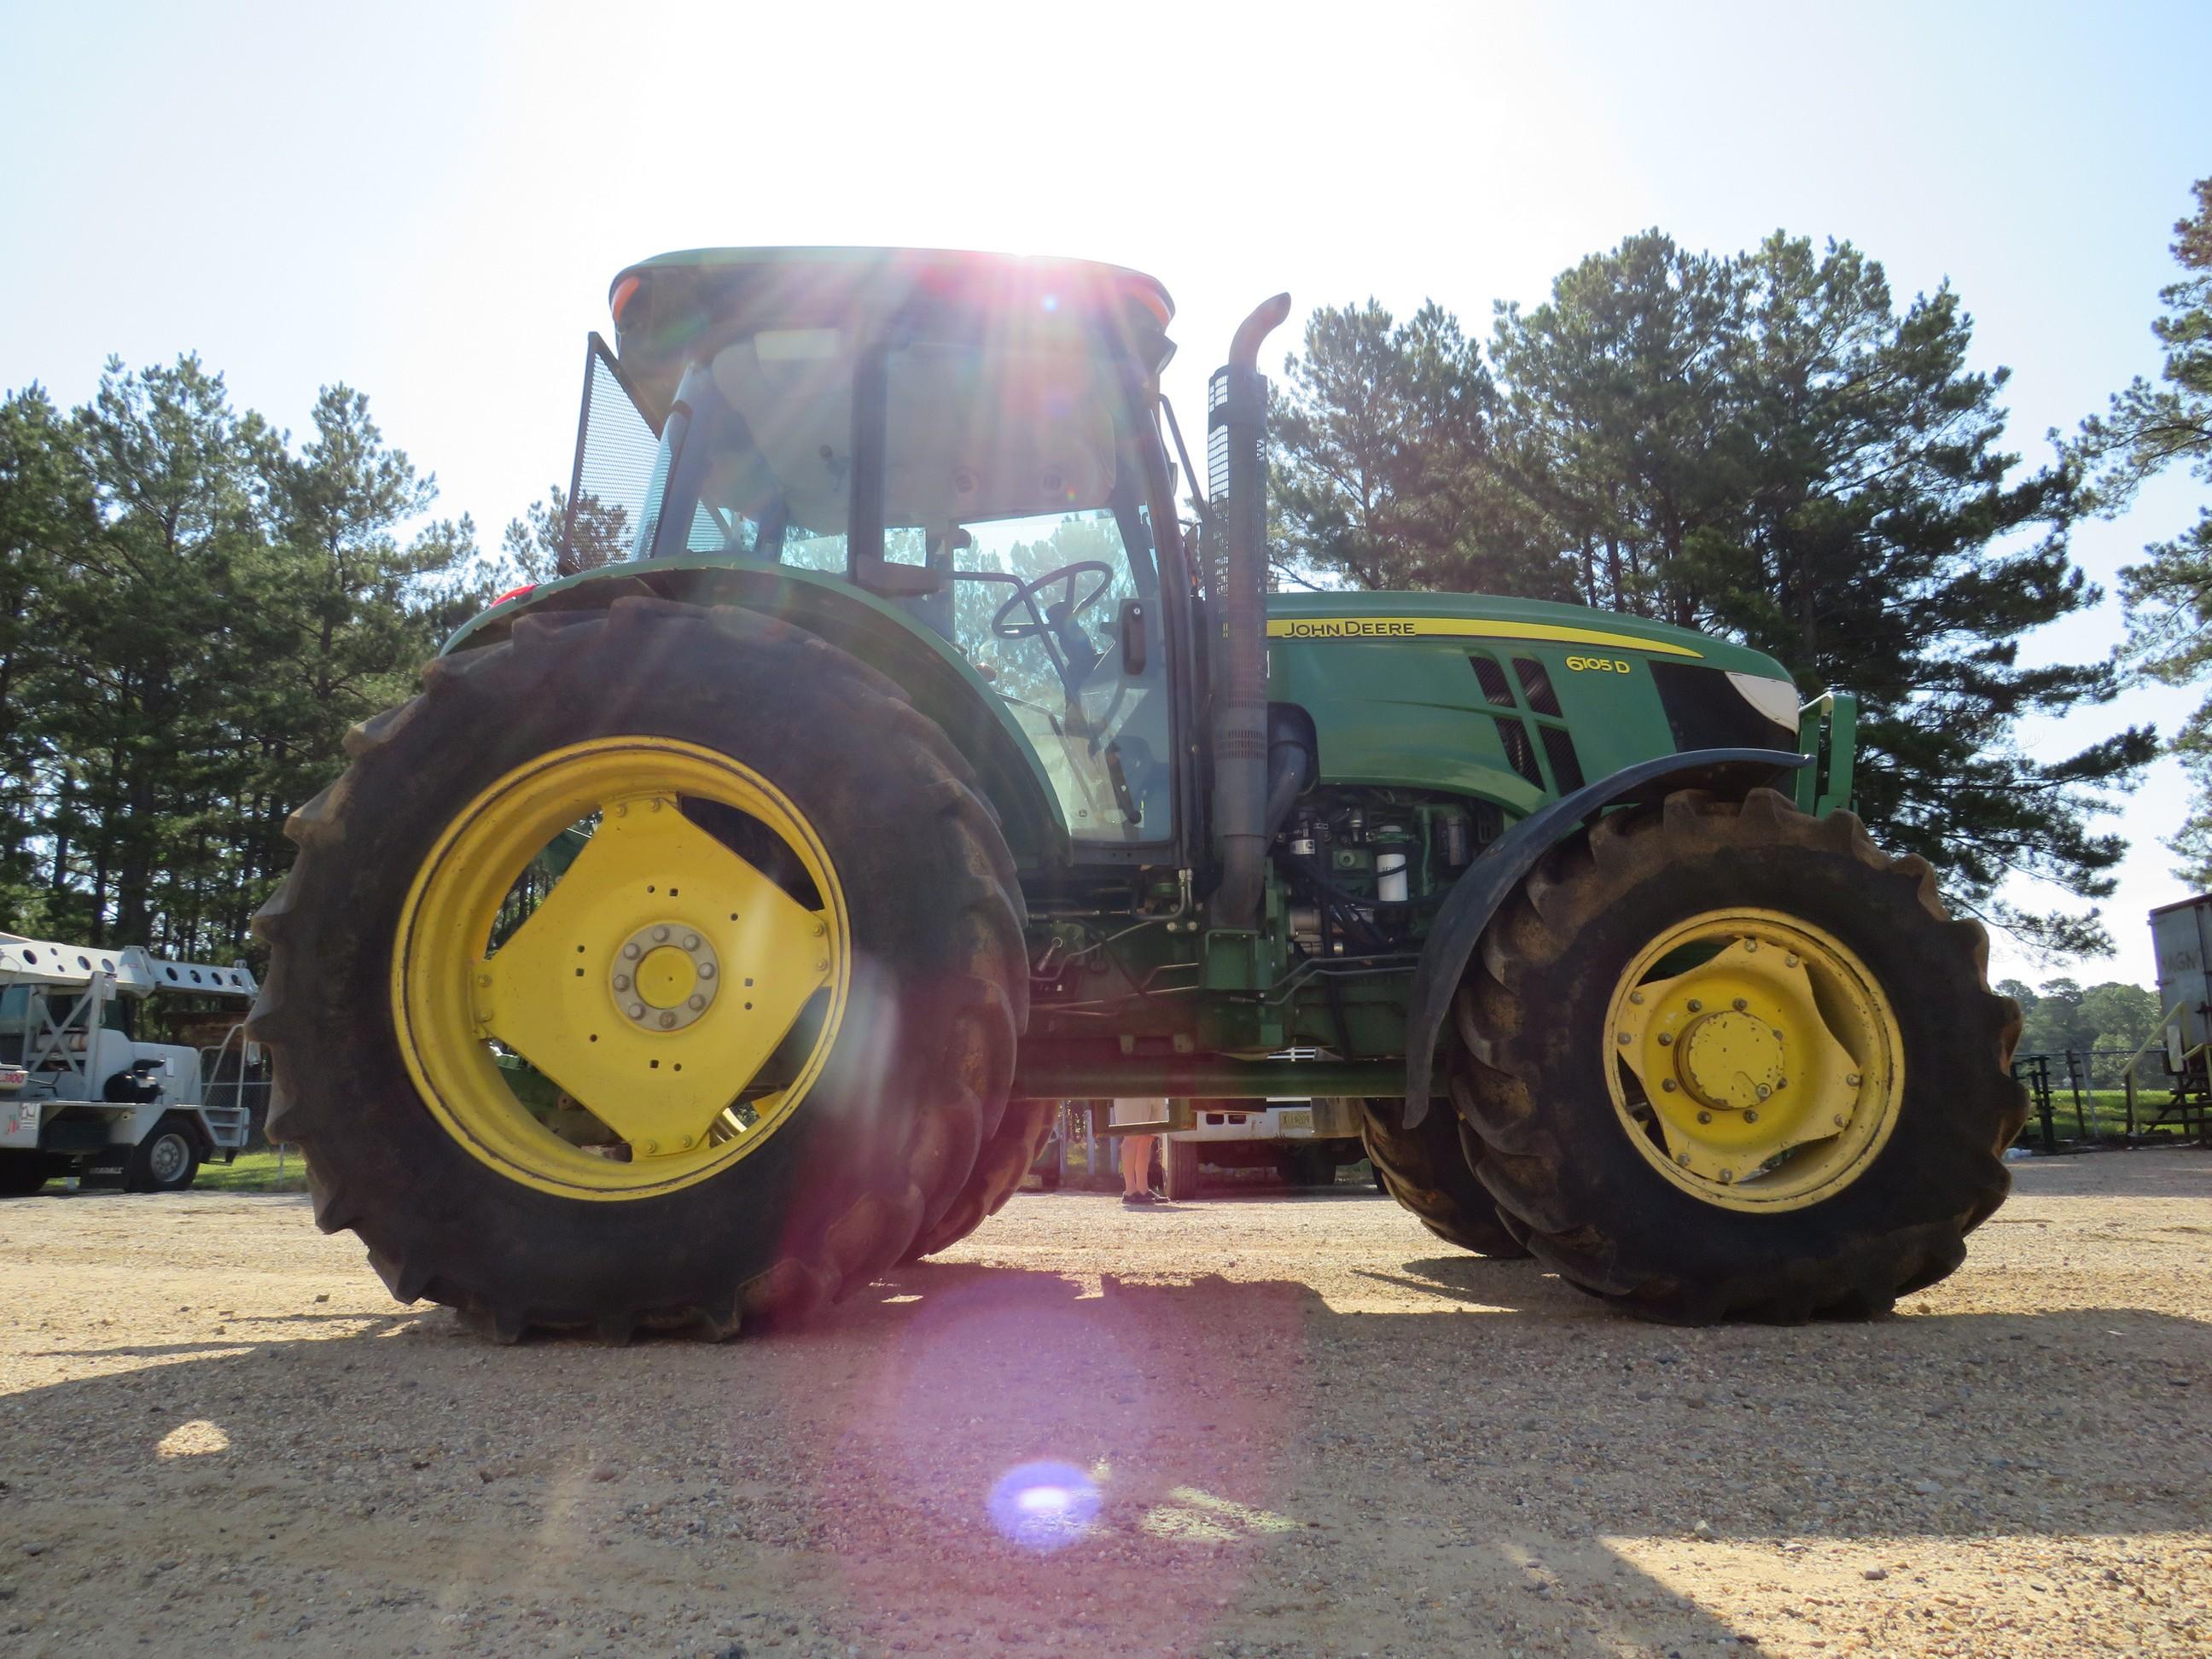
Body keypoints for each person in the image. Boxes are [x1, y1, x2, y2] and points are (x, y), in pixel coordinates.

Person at [1109, 1097, 1167, 1206]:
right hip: (1132, 1088)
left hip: (1156, 1087)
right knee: (1132, 1135)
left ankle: (1143, 1189)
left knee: (1149, 1137)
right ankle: (1130, 1191)